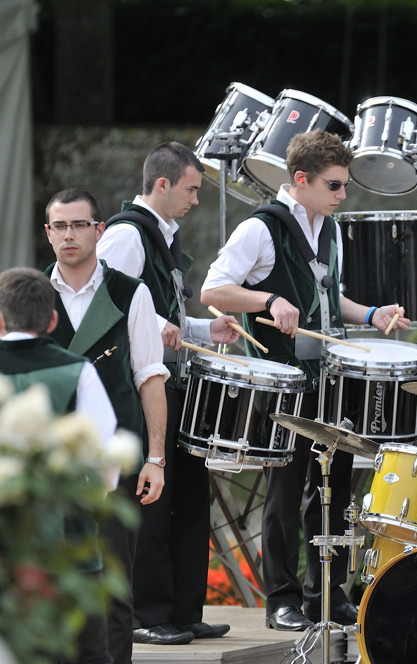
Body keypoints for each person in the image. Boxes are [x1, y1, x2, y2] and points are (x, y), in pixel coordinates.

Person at [201, 129, 409, 631]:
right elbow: (214, 290)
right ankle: (282, 598)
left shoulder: (329, 229)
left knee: (332, 487)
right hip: (283, 384)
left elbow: (324, 300)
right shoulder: (260, 228)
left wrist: (372, 314)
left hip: (329, 382)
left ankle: (328, 592)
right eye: (335, 185)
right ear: (300, 180)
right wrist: (266, 301)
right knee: (284, 492)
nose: (343, 195)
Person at [97, 142, 240, 646]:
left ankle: (182, 610)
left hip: (174, 381)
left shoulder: (162, 235)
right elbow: (106, 299)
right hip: (142, 389)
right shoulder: (124, 235)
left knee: (187, 501)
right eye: (191, 189)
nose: (196, 199)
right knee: (153, 504)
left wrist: (204, 329)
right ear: (162, 184)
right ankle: (145, 613)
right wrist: (159, 323)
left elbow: (166, 319)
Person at [43, 188, 170, 664]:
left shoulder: (130, 292)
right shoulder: (28, 294)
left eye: (79, 225)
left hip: (116, 460)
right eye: (60, 226)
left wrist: (156, 458)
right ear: (48, 233)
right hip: (49, 465)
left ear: (99, 230)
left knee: (114, 590)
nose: (69, 235)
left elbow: (150, 377)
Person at [0, 267, 119, 664]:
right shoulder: (78, 370)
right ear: (52, 320)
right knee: (85, 654)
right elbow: (104, 458)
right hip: (70, 543)